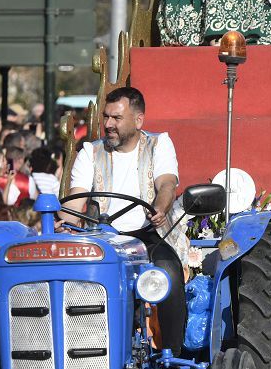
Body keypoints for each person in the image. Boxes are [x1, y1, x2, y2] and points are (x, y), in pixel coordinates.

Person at [63, 87, 185, 353]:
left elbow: (166, 184)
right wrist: (62, 224)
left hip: (148, 233)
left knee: (169, 272)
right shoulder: (90, 152)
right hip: (103, 238)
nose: (108, 124)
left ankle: (174, 354)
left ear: (138, 120)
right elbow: (75, 200)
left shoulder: (158, 144)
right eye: (106, 117)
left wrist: (160, 208)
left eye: (116, 118)